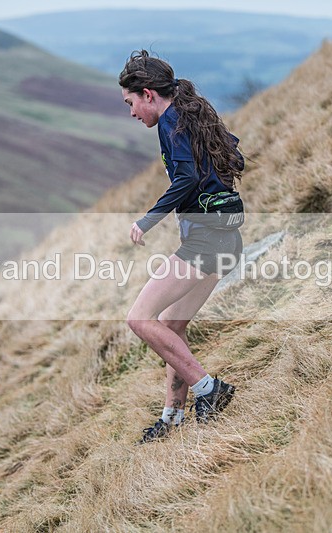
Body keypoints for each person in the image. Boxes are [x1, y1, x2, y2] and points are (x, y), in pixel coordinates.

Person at [119, 50, 245, 443]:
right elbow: (234, 157)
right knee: (172, 325)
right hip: (225, 237)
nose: (132, 112)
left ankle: (209, 390)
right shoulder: (190, 113)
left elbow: (186, 178)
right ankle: (172, 418)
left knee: (140, 319)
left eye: (131, 103)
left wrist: (148, 219)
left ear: (148, 94)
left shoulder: (171, 120)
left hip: (207, 240)